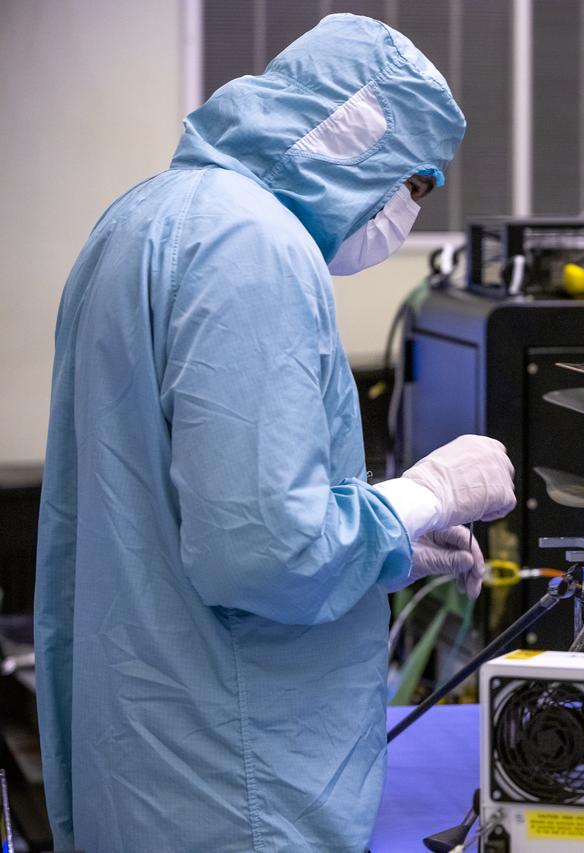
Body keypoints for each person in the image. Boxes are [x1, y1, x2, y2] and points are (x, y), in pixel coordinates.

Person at [34, 14, 515, 852]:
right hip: (234, 788)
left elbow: (179, 505)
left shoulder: (146, 216)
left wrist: (391, 544)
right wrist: (420, 495)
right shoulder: (254, 246)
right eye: (416, 185)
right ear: (354, 139)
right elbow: (261, 551)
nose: (408, 210)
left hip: (148, 751)